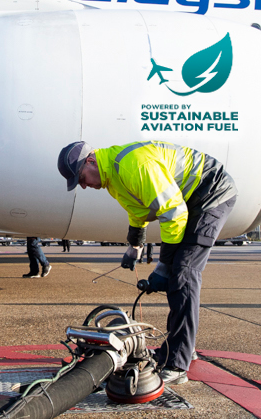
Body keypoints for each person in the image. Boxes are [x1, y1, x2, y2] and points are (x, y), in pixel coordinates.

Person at [58, 140, 237, 385]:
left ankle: (177, 363)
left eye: (81, 178)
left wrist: (163, 266)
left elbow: (174, 213)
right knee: (178, 275)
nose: (83, 185)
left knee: (183, 273)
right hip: (188, 199)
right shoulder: (112, 179)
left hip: (211, 191)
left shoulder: (133, 165)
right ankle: (181, 346)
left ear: (90, 161)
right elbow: (138, 211)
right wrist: (134, 246)